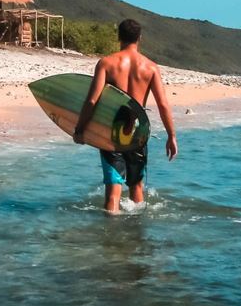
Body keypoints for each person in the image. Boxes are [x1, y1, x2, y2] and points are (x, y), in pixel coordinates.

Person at [74, 18, 178, 214]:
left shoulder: (106, 63)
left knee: (113, 191)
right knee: (137, 187)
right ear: (140, 38)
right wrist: (171, 136)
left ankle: (111, 235)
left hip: (112, 131)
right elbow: (163, 104)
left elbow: (92, 101)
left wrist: (80, 129)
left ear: (119, 36)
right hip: (137, 131)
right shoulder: (151, 68)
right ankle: (135, 234)